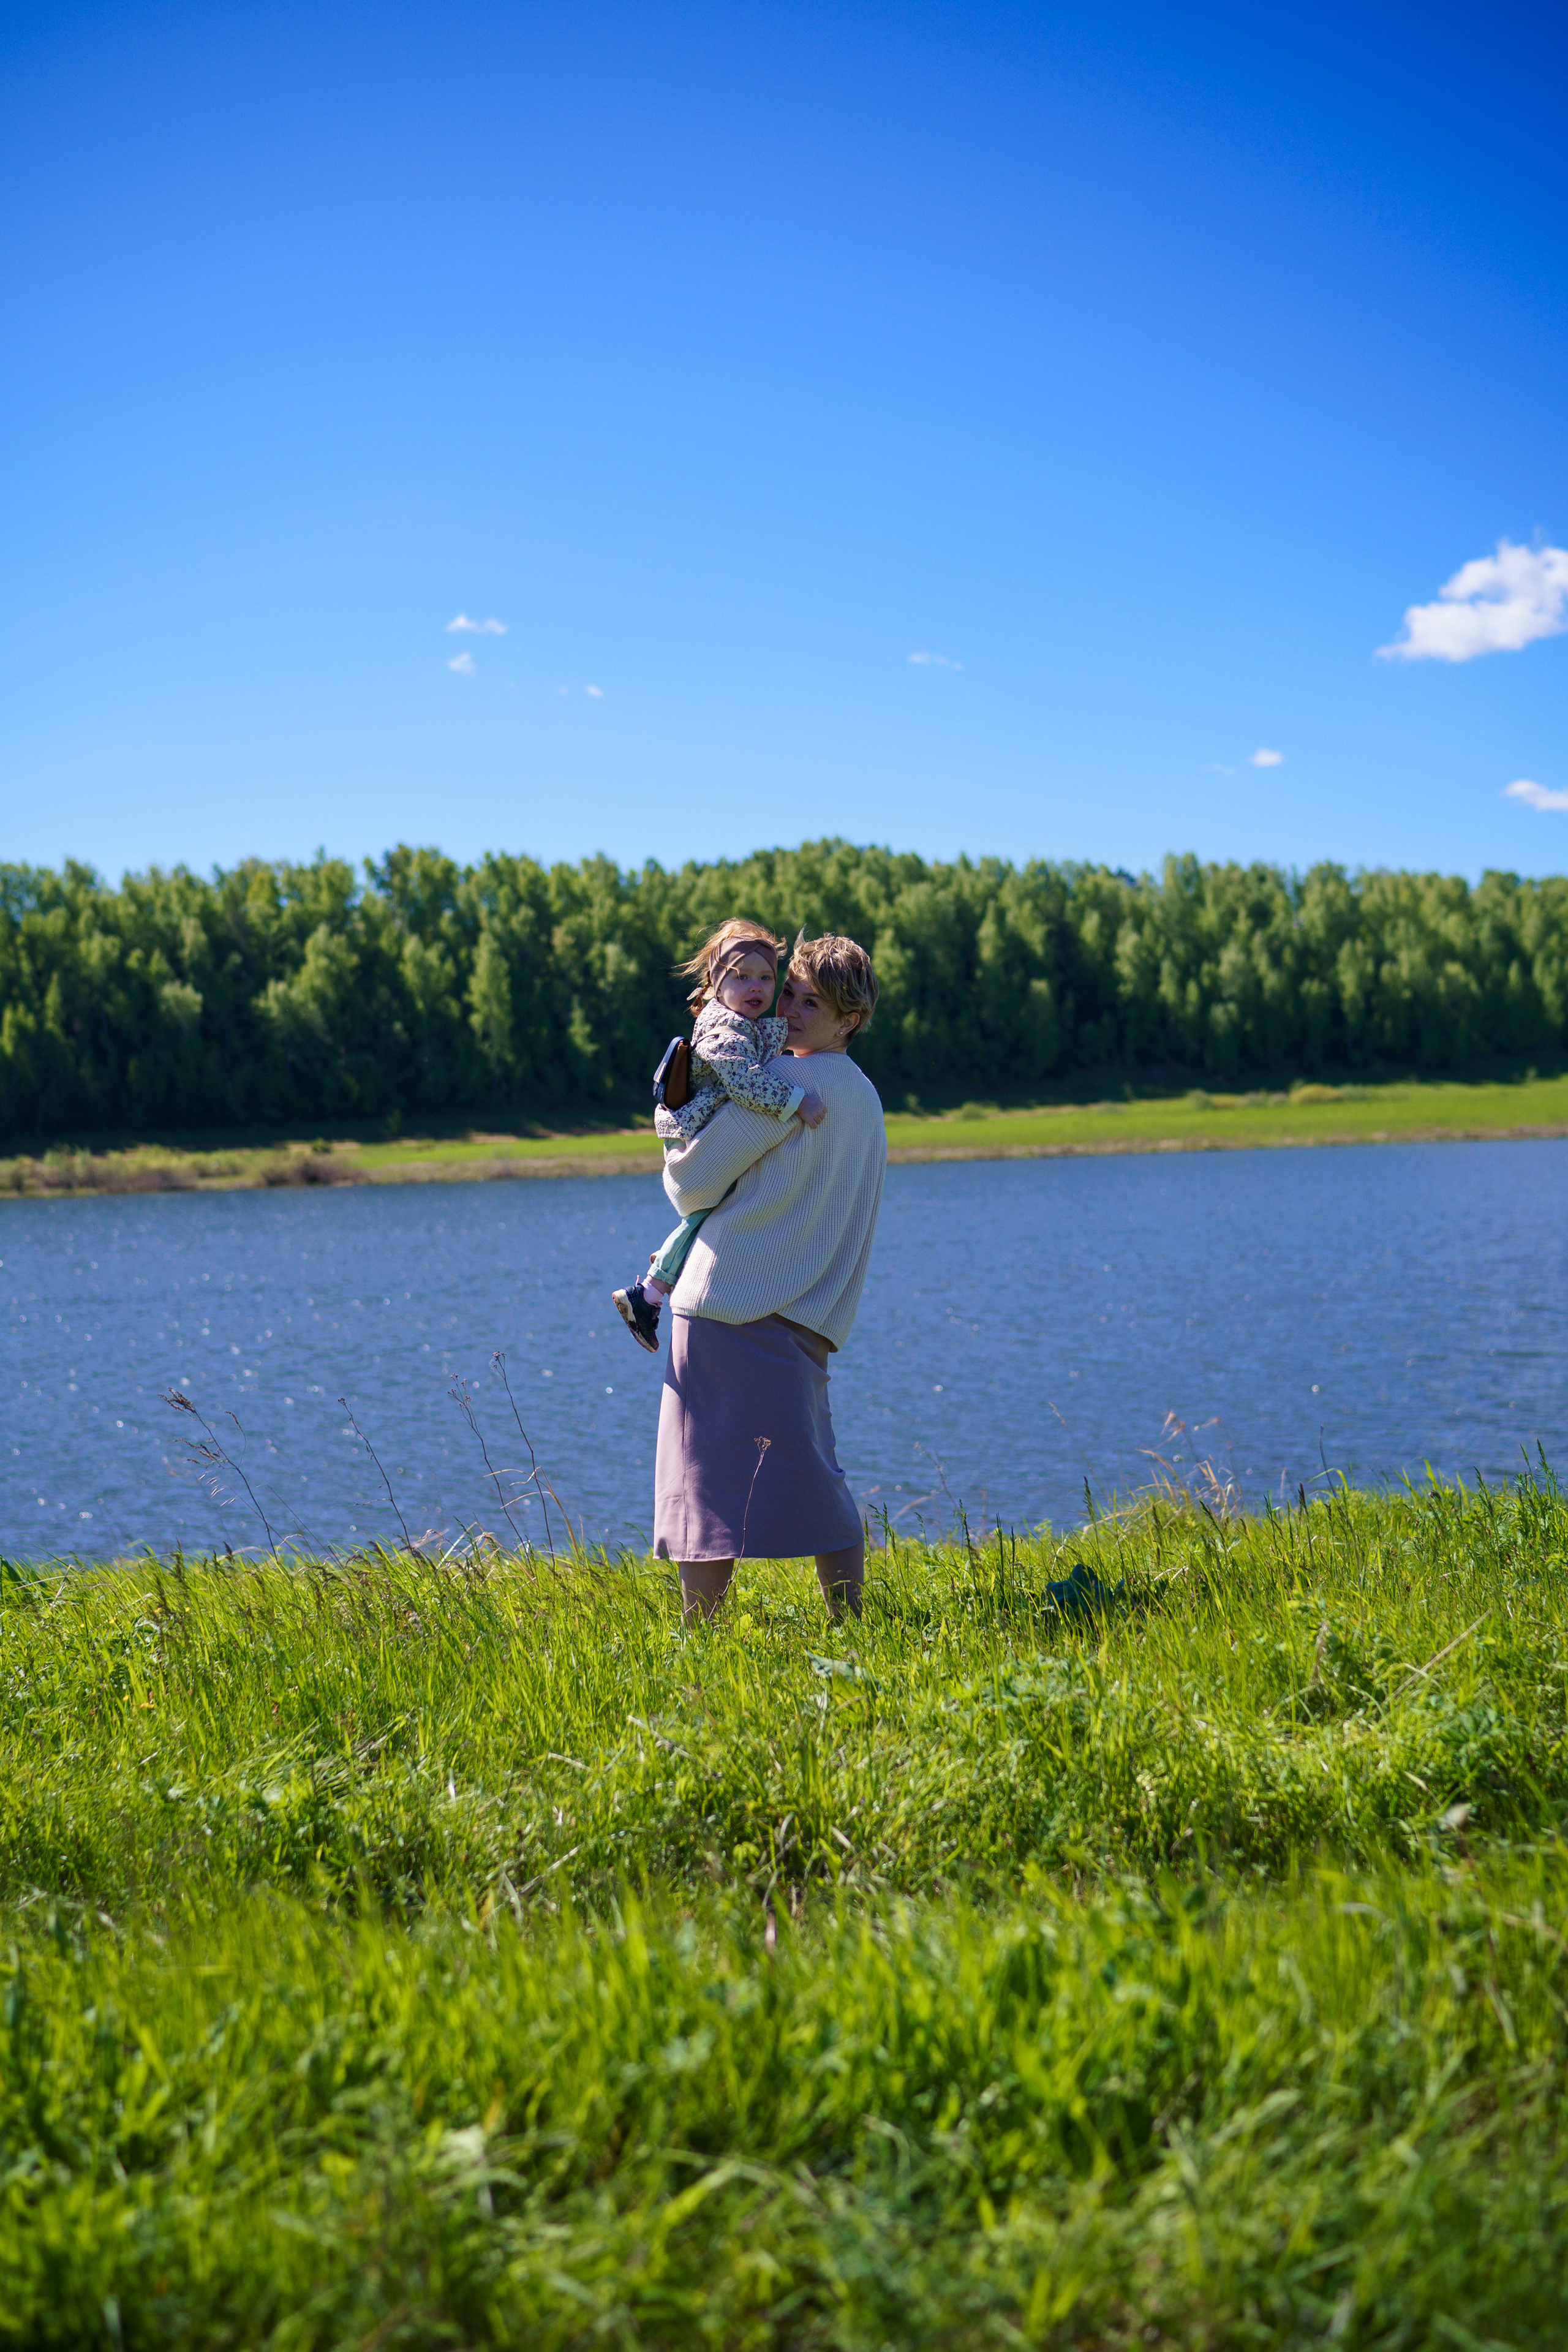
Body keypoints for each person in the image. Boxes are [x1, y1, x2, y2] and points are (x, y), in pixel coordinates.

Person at [650, 933, 885, 1623]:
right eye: (790, 992)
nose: (791, 1006)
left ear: (849, 1019)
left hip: (728, 1303)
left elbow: (690, 1184)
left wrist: (675, 1138)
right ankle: (849, 1625)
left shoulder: (788, 1079)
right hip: (809, 1312)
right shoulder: (866, 1097)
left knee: (704, 1483)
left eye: (814, 1001)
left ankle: (701, 1637)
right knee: (815, 1474)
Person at [612, 919, 826, 1353]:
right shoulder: (721, 1030)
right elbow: (746, 1082)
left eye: (766, 978)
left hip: (704, 1129)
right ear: (715, 980)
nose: (757, 987)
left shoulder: (739, 1021)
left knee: (709, 1216)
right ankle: (648, 1293)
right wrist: (797, 1101)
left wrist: (820, 1026)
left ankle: (662, 1273)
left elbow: (769, 1041)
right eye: (742, 976)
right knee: (707, 1211)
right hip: (690, 1135)